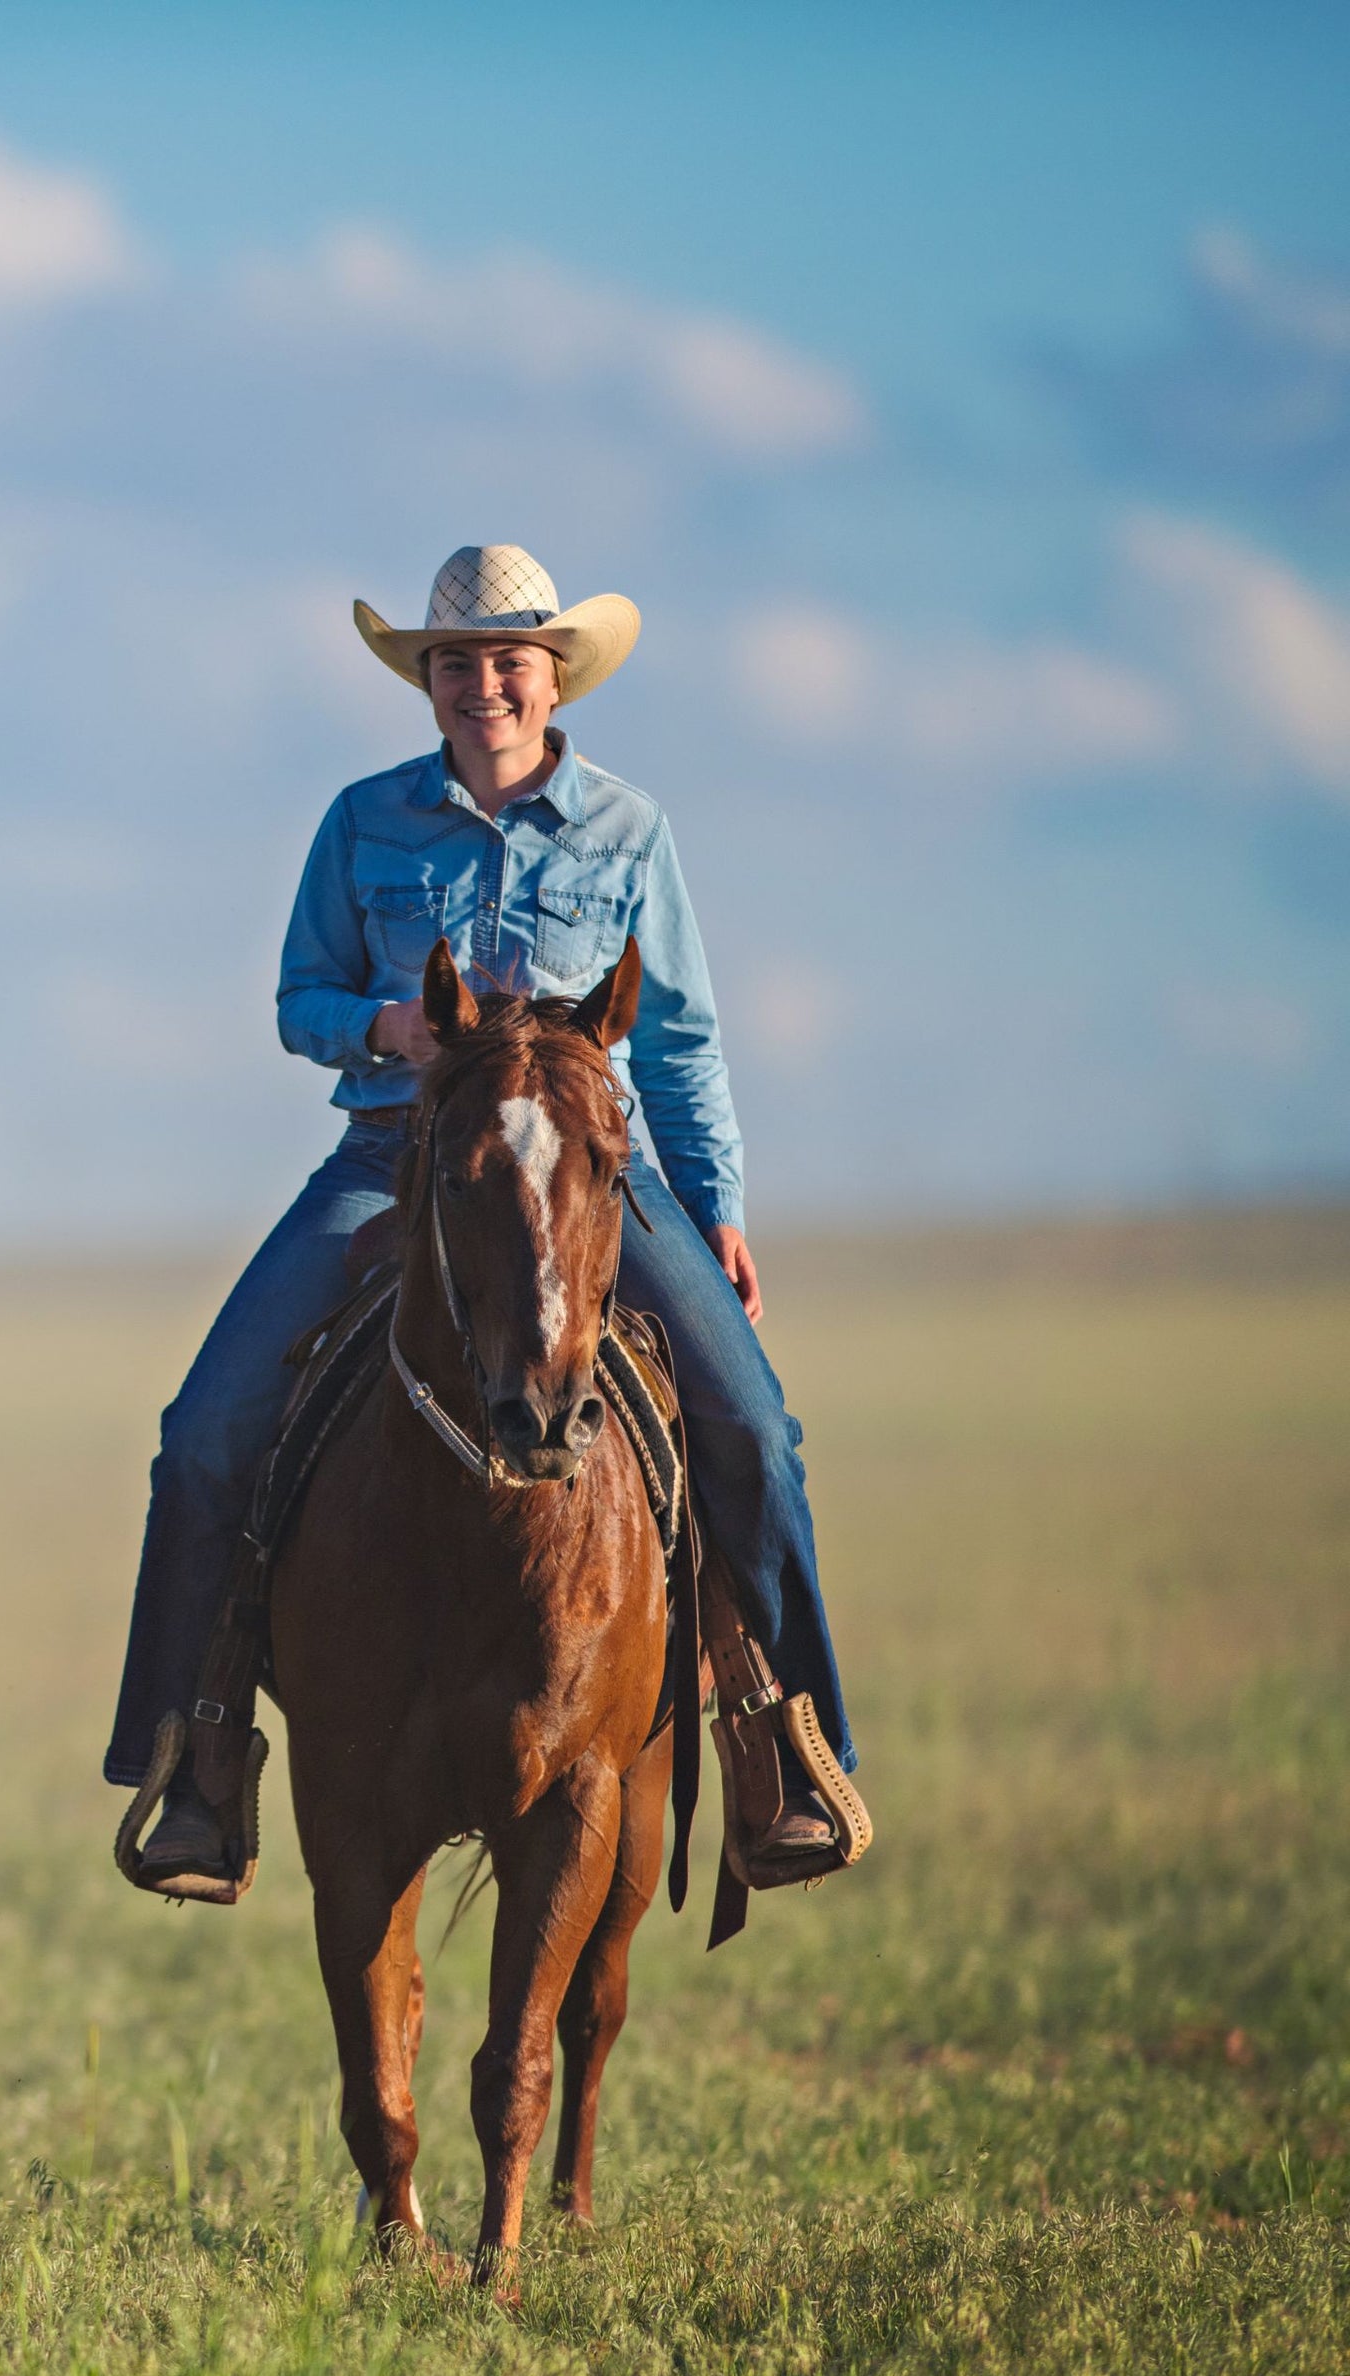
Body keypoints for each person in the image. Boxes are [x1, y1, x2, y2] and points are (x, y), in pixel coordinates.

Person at [113, 544, 859, 1894]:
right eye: (454, 664)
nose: (482, 685)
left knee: (752, 1424)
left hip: (584, 1177)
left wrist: (719, 1204)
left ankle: (781, 1746)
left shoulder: (630, 831)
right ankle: (199, 1757)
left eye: (507, 661)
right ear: (429, 681)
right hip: (394, 1158)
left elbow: (678, 1040)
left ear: (555, 674)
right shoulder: (363, 823)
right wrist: (380, 1024)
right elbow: (299, 1001)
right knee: (206, 1431)